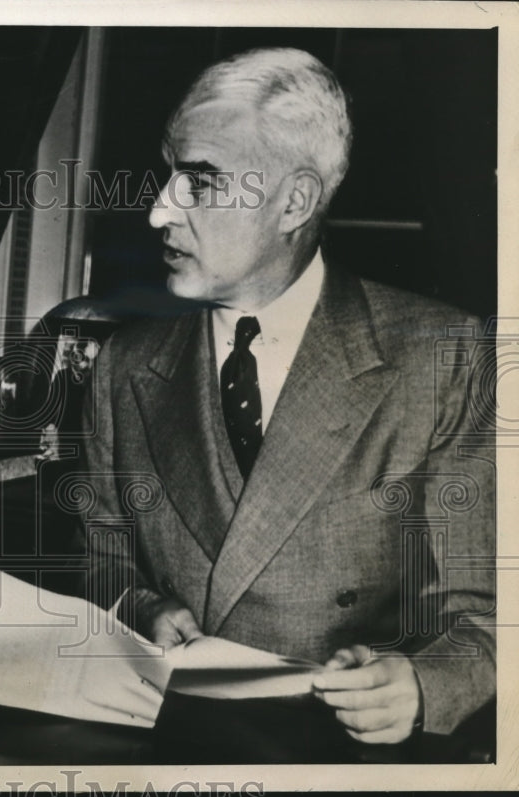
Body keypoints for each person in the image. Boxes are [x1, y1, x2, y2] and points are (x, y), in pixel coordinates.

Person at [80, 48, 495, 743]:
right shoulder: (123, 365)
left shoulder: (444, 356)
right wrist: (139, 606)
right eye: (168, 176)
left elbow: (486, 612)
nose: (158, 211)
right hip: (160, 745)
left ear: (295, 202)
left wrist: (422, 685)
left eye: (199, 181)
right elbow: (99, 558)